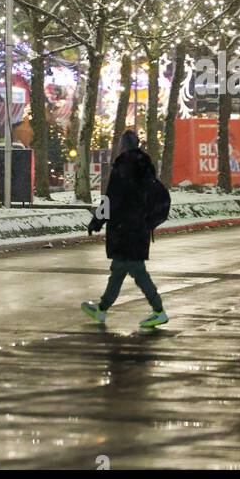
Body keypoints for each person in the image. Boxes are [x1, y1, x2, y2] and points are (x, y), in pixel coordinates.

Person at [82, 129, 168, 329]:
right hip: (140, 228)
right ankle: (102, 309)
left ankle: (159, 310)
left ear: (123, 145)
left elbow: (111, 199)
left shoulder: (122, 167)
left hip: (124, 228)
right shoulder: (147, 168)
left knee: (137, 270)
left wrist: (97, 221)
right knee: (119, 269)